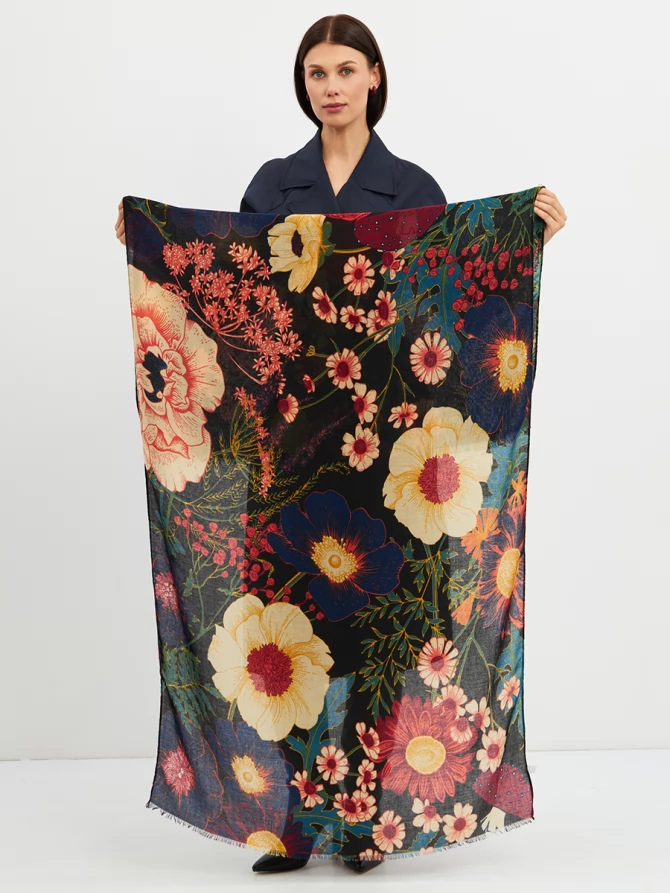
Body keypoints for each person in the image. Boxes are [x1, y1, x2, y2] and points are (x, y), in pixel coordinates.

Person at [114, 11, 566, 879]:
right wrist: (152, 250)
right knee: (280, 639)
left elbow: (445, 301)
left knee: (374, 643)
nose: (331, 86)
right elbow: (233, 296)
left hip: (387, 450)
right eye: (317, 72)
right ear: (305, 84)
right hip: (286, 450)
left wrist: (525, 239)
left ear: (374, 78)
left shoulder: (412, 185)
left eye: (345, 70)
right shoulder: (272, 184)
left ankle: (364, 823)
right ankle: (289, 826)